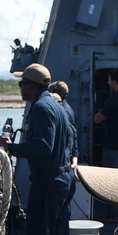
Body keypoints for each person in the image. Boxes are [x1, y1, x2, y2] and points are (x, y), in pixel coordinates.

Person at [0, 63, 73, 235]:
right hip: (61, 178)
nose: (20, 90)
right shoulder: (56, 106)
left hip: (49, 182)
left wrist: (9, 147)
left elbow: (43, 147)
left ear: (31, 86)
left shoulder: (40, 108)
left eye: (21, 85)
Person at [49, 80, 79, 215]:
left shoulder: (60, 113)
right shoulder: (69, 111)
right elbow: (74, 139)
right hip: (68, 170)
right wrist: (74, 161)